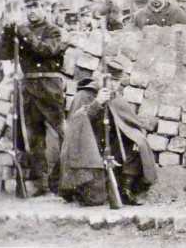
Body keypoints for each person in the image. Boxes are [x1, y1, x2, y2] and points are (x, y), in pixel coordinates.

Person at [0, 0, 68, 195]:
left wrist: (25, 33)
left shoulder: (54, 30)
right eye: (28, 8)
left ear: (43, 8)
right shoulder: (21, 32)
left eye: (36, 7)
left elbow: (46, 50)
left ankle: (65, 179)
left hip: (49, 86)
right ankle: (42, 184)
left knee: (63, 132)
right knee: (34, 138)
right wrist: (8, 34)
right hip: (27, 87)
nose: (32, 11)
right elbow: (0, 54)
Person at [59, 69, 157, 206]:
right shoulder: (84, 95)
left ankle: (125, 190)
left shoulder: (117, 98)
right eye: (109, 79)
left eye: (116, 81)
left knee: (138, 142)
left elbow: (130, 124)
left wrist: (134, 138)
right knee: (95, 199)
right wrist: (97, 104)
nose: (113, 84)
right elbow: (76, 128)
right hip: (89, 153)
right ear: (100, 77)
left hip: (111, 152)